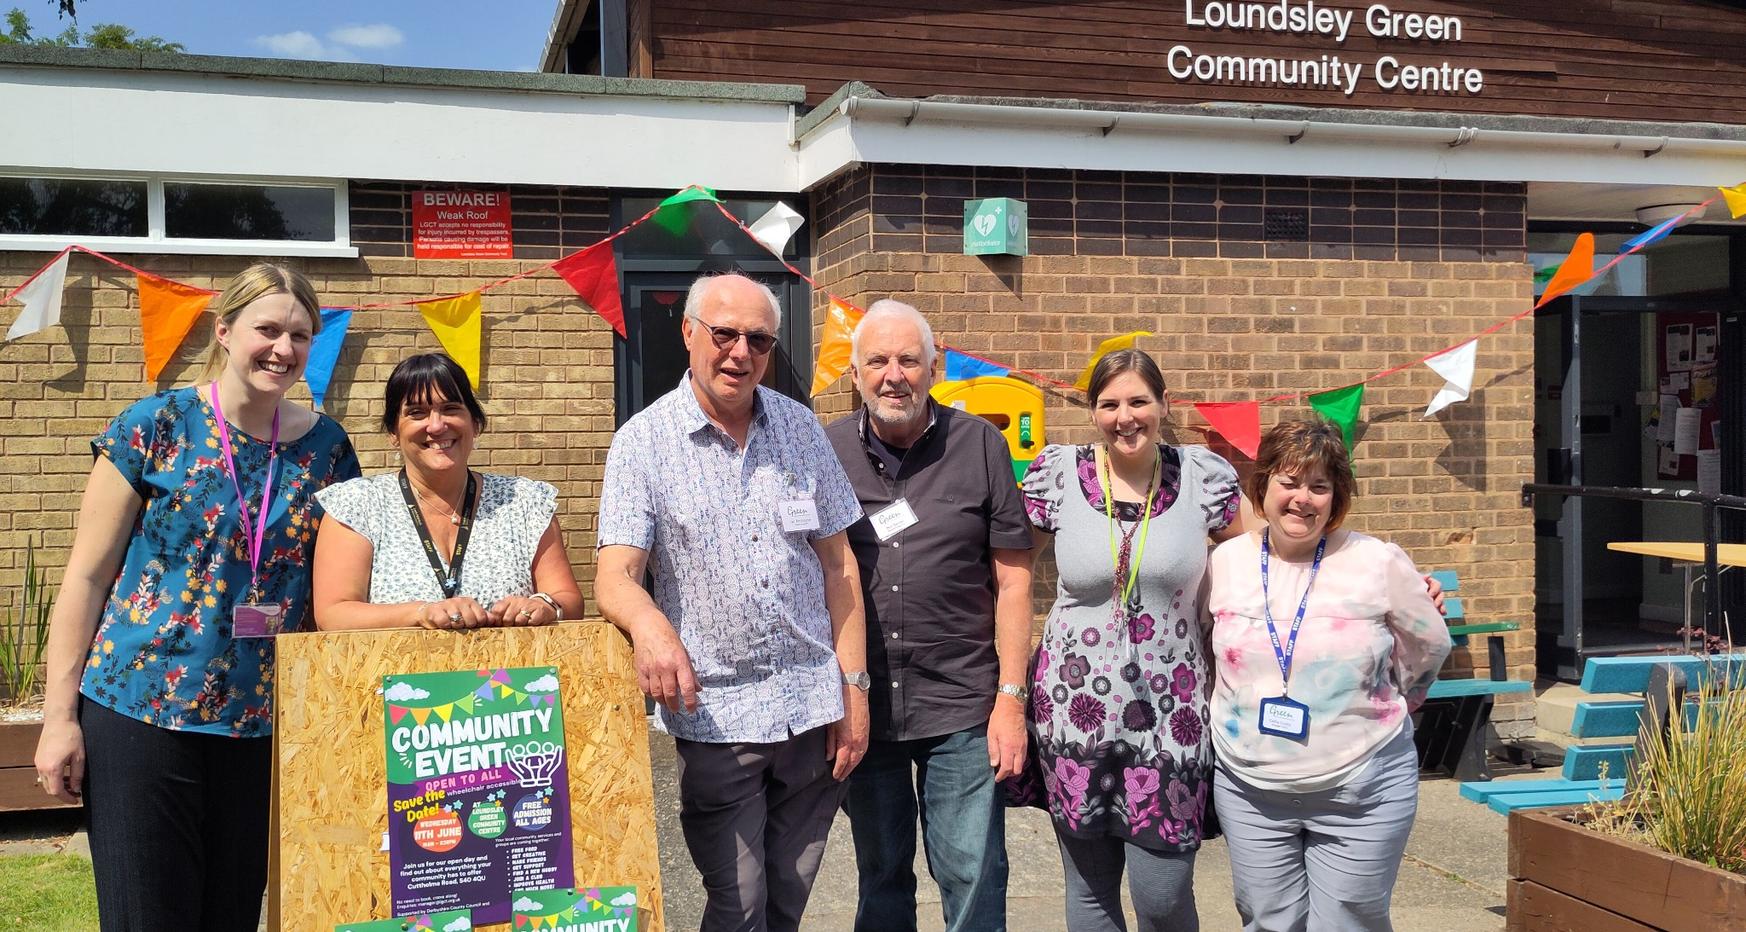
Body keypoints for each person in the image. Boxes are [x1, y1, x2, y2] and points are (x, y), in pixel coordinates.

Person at [31, 262, 361, 931]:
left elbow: (343, 585)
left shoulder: (328, 449)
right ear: (225, 330)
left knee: (231, 918)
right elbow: (87, 579)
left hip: (260, 728)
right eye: (267, 329)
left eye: (300, 335)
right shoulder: (153, 427)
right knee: (147, 916)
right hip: (140, 714)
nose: (283, 348)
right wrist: (57, 718)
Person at [595, 272, 869, 932]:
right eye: (724, 334)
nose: (740, 352)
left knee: (786, 900)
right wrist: (650, 622)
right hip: (718, 716)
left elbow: (840, 568)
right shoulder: (643, 442)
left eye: (759, 340)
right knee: (737, 904)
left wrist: (854, 690)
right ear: (689, 333)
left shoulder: (803, 431)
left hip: (811, 710)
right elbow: (614, 574)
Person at [824, 299, 1033, 932]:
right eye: (878, 361)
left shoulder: (981, 445)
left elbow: (1014, 578)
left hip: (963, 703)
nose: (894, 375)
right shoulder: (824, 448)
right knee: (881, 876)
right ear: (855, 373)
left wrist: (1011, 700)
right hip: (868, 706)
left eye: (909, 359)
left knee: (972, 873)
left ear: (935, 366)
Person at [1017, 348, 1243, 932]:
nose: (1125, 417)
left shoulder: (1201, 477)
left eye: (1139, 401)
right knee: (1089, 895)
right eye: (1109, 403)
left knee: (1162, 896)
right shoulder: (1058, 475)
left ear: (1163, 405)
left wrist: (1352, 569)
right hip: (1073, 715)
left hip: (1173, 718)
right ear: (1093, 411)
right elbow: (1010, 576)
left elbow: (1263, 558)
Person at [1204, 418, 1452, 932]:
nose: (1303, 499)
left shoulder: (1375, 561)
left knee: (1347, 924)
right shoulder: (1223, 563)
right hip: (1250, 788)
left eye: (1319, 486)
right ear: (1263, 486)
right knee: (1267, 922)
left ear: (1336, 495)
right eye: (1289, 483)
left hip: (1362, 786)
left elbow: (1427, 644)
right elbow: (1203, 647)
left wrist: (1396, 700)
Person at [310, 352, 583, 630]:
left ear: (475, 423)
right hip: (394, 673)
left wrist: (545, 605)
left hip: (508, 674)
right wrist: (422, 613)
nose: (437, 425)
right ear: (394, 431)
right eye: (417, 413)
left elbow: (568, 600)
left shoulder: (525, 502)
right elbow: (334, 614)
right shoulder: (358, 505)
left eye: (451, 408)